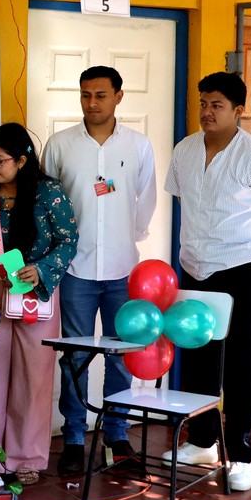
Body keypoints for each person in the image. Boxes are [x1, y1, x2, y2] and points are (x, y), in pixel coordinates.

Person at [161, 72, 251, 492]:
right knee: (197, 356)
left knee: (240, 363)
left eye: (217, 105)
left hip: (241, 268)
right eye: (203, 104)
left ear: (238, 110)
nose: (207, 112)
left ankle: (241, 454)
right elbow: (185, 199)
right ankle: (202, 441)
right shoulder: (185, 150)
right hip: (194, 266)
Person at [42, 65, 158, 475]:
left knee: (121, 357)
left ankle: (116, 435)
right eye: (85, 95)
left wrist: (128, 236)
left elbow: (145, 200)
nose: (92, 103)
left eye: (101, 95)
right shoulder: (60, 145)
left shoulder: (138, 145)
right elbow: (46, 204)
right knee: (74, 357)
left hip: (123, 271)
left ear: (118, 97)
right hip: (75, 270)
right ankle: (74, 438)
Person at [0, 123, 78, 485]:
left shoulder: (49, 193)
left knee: (33, 377)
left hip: (31, 292)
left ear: (22, 161)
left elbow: (69, 240)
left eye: (0, 160)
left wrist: (41, 270)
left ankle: (27, 457)